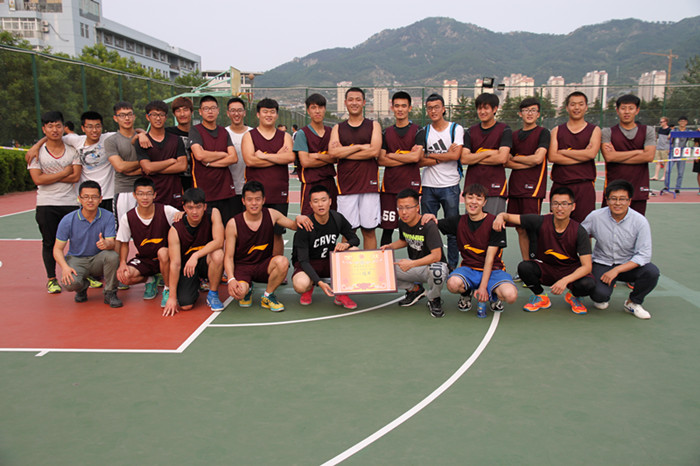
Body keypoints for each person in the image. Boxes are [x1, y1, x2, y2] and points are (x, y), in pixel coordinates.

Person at [493, 186, 595, 314]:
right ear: (551, 206)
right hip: (547, 269)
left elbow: (587, 266)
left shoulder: (579, 231)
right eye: (556, 204)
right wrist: (500, 216)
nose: (560, 208)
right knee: (524, 267)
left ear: (573, 206)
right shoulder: (541, 221)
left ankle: (573, 296)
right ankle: (541, 296)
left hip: (569, 270)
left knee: (588, 284)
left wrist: (565, 280)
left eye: (564, 204)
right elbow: (509, 217)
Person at [424, 183, 518, 317]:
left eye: (478, 199)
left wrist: (483, 288)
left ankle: (494, 295)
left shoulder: (495, 223)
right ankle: (466, 293)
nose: (474, 202)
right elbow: (435, 224)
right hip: (469, 268)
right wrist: (429, 217)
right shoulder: (458, 221)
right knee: (452, 284)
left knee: (511, 296)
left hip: (493, 270)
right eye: (470, 197)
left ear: (484, 202)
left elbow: (490, 259)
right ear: (464, 199)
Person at [224, 181, 312, 312]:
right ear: (243, 201)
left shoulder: (271, 214)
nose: (254, 203)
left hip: (263, 265)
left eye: (257, 199)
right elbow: (229, 256)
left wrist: (299, 218)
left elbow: (294, 226)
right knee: (240, 293)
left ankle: (268, 295)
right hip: (243, 267)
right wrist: (231, 279)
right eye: (249, 199)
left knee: (282, 262)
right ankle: (247, 288)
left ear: (264, 200)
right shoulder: (233, 223)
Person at [581, 180, 660, 320]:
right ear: (607, 200)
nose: (617, 203)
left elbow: (644, 255)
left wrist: (616, 270)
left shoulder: (640, 221)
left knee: (651, 272)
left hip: (628, 265)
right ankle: (603, 295)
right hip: (602, 262)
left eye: (622, 199)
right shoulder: (595, 217)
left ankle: (633, 302)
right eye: (613, 199)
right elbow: (579, 235)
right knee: (599, 297)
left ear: (629, 201)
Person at [28, 111, 82, 294]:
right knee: (49, 243)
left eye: (58, 126)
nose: (55, 130)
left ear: (63, 127)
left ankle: (83, 274)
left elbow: (76, 176)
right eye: (50, 126)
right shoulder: (37, 153)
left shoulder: (72, 150)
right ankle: (52, 279)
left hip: (70, 203)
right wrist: (64, 172)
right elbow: (38, 179)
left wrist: (48, 176)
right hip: (46, 204)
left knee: (78, 241)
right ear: (44, 129)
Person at [26, 110, 116, 213]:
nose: (94, 130)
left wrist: (48, 178)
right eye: (90, 127)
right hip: (85, 198)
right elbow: (53, 136)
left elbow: (128, 133)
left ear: (102, 127)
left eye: (97, 126)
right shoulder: (75, 140)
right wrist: (36, 146)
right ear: (83, 128)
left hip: (108, 196)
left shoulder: (109, 138)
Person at [328, 87, 383, 250]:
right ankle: (347, 266)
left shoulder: (374, 125)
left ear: (364, 102)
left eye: (358, 99)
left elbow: (374, 151)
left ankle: (370, 265)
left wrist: (345, 152)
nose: (354, 103)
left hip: (369, 186)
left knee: (369, 231)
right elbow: (333, 153)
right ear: (345, 102)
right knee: (348, 232)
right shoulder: (338, 128)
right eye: (351, 99)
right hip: (346, 187)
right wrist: (360, 147)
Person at [116, 178, 183, 309]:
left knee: (163, 252)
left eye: (148, 193)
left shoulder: (166, 210)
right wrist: (122, 263)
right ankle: (151, 280)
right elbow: (124, 243)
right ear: (134, 195)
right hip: (145, 259)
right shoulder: (128, 217)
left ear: (154, 195)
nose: (145, 197)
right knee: (124, 276)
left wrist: (181, 214)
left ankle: (167, 289)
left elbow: (184, 217)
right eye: (140, 194)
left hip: (166, 258)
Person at [53, 180, 122, 307]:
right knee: (69, 283)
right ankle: (82, 287)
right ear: (79, 199)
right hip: (76, 259)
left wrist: (106, 244)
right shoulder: (68, 220)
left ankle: (110, 292)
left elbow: (112, 243)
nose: (90, 200)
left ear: (100, 199)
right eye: (86, 197)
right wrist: (65, 267)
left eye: (94, 197)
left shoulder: (108, 216)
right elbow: (57, 249)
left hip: (98, 259)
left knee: (112, 256)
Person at [381, 189, 448, 318]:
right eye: (400, 208)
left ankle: (434, 299)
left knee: (437, 271)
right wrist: (390, 246)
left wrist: (411, 264)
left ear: (417, 208)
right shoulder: (403, 222)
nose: (403, 212)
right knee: (383, 267)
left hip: (431, 267)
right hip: (415, 267)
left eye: (408, 207)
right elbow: (404, 240)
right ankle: (415, 290)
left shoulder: (428, 225)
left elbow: (436, 256)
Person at [291, 184, 360, 309]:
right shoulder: (305, 225)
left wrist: (346, 244)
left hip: (329, 262)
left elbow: (355, 239)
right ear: (310, 204)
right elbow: (303, 261)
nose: (320, 204)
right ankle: (309, 287)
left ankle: (342, 293)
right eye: (316, 201)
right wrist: (319, 282)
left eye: (323, 200)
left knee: (354, 251)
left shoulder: (337, 218)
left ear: (330, 201)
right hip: (310, 263)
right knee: (301, 284)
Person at [241, 98, 295, 256]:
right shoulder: (249, 136)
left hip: (279, 193)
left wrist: (264, 156)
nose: (269, 115)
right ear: (258, 114)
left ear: (277, 115)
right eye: (265, 111)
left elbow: (290, 157)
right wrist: (277, 157)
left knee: (277, 233)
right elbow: (250, 161)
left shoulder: (284, 136)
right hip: (255, 195)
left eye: (272, 112)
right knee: (252, 232)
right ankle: (252, 265)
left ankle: (278, 265)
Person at [416, 93, 464, 270]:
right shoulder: (424, 131)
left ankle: (452, 266)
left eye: (436, 107)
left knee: (452, 230)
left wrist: (430, 155)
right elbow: (419, 160)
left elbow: (456, 155)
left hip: (450, 186)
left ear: (443, 109)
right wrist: (444, 155)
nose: (433, 111)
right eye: (429, 108)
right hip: (429, 186)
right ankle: (432, 265)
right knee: (427, 228)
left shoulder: (455, 129)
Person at [163, 188, 225, 317]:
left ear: (204, 207)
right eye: (190, 208)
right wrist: (172, 297)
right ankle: (196, 283)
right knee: (186, 305)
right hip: (187, 267)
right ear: (184, 208)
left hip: (204, 260)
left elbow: (219, 241)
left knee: (218, 254)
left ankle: (213, 294)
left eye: (198, 207)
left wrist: (195, 255)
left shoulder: (213, 213)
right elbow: (175, 264)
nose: (195, 212)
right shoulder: (176, 230)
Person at [505, 97, 550, 267]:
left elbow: (538, 159)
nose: (529, 113)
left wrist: (517, 158)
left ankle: (537, 265)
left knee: (533, 228)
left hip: (533, 188)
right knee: (520, 228)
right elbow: (506, 161)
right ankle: (526, 266)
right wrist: (527, 161)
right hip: (515, 186)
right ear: (520, 113)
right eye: (526, 110)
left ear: (538, 114)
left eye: (533, 110)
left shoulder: (543, 133)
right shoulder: (514, 135)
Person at [548, 91, 601, 223]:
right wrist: (582, 154)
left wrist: (564, 151)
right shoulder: (557, 130)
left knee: (584, 226)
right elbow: (552, 156)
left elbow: (591, 154)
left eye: (580, 104)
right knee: (558, 226)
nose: (577, 107)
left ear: (586, 107)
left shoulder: (594, 130)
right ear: (567, 107)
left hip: (584, 186)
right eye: (573, 104)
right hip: (561, 184)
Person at [378, 91, 422, 246]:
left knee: (413, 230)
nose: (400, 109)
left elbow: (416, 158)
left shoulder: (418, 130)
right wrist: (407, 157)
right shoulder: (386, 132)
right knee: (387, 229)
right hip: (390, 187)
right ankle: (385, 260)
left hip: (411, 186)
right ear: (392, 108)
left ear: (410, 108)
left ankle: (416, 260)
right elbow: (381, 160)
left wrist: (392, 155)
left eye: (404, 106)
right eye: (397, 106)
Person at [600, 94, 655, 215]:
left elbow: (649, 156)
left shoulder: (648, 130)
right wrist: (638, 152)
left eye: (631, 108)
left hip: (639, 187)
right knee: (609, 224)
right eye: (623, 108)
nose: (627, 112)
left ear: (637, 110)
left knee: (636, 223)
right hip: (614, 188)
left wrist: (617, 155)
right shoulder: (607, 132)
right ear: (617, 110)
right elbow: (609, 157)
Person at [188, 95, 238, 225]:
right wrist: (222, 154)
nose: (210, 111)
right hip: (204, 191)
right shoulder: (195, 130)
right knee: (206, 231)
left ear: (218, 110)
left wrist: (209, 163)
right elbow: (199, 155)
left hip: (225, 190)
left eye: (213, 108)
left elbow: (233, 158)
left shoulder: (223, 132)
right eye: (206, 108)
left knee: (227, 229)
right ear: (200, 112)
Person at [461, 93, 512, 215]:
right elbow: (464, 159)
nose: (482, 111)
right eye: (479, 108)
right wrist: (488, 152)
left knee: (493, 223)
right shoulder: (471, 131)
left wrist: (475, 157)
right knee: (472, 224)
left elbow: (502, 158)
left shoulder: (504, 130)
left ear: (495, 109)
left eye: (486, 108)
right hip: (473, 187)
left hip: (495, 187)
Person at [135, 100, 187, 208]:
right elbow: (147, 168)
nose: (158, 118)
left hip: (174, 195)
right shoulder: (142, 142)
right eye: (154, 115)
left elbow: (182, 166)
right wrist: (170, 161)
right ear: (147, 117)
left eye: (161, 115)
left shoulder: (176, 140)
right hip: (152, 196)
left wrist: (154, 168)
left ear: (166, 117)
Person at [294, 93, 338, 216]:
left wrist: (317, 156)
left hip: (329, 182)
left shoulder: (331, 132)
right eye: (313, 107)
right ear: (308, 111)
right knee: (309, 221)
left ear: (325, 109)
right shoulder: (302, 134)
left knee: (332, 218)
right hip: (310, 184)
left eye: (320, 107)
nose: (317, 111)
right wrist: (328, 158)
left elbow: (336, 158)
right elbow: (306, 162)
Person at [105, 102, 144, 231]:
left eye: (129, 114)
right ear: (115, 118)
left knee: (145, 230)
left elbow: (153, 165)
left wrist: (142, 167)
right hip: (124, 190)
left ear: (134, 116)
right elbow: (120, 167)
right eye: (122, 115)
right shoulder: (111, 141)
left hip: (145, 189)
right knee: (123, 231)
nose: (127, 118)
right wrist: (144, 163)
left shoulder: (143, 137)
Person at [224, 97, 252, 215]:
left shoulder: (252, 133)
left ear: (244, 113)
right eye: (233, 110)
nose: (236, 114)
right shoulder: (223, 133)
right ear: (228, 113)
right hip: (229, 190)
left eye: (239, 110)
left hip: (249, 189)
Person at [167, 96, 195, 190]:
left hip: (195, 182)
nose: (182, 114)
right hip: (175, 182)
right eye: (178, 111)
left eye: (185, 110)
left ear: (192, 112)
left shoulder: (199, 132)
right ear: (174, 114)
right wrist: (141, 134)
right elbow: (150, 135)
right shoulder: (168, 132)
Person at [667, 116, 692, 194]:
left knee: (680, 172)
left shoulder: (688, 131)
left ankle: (677, 187)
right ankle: (667, 186)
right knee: (668, 170)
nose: (682, 123)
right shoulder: (674, 130)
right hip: (674, 152)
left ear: (686, 122)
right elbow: (669, 138)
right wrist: (670, 136)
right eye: (681, 121)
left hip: (682, 153)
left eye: (684, 121)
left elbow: (694, 135)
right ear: (678, 122)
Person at [651, 116, 671, 181]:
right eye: (660, 122)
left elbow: (670, 139)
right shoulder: (660, 129)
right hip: (658, 147)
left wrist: (669, 148)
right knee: (658, 162)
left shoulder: (669, 130)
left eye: (662, 122)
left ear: (666, 122)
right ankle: (656, 176)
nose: (660, 123)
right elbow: (657, 137)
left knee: (665, 162)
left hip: (665, 148)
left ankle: (664, 176)